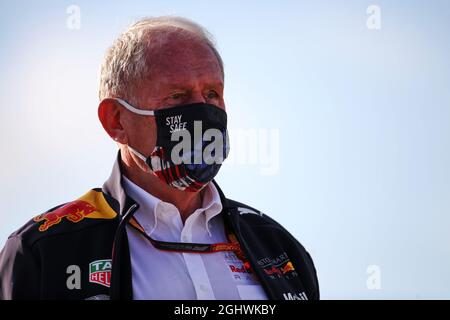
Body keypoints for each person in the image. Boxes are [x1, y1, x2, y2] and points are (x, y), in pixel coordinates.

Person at [0, 16, 319, 300]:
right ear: (117, 120)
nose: (202, 112)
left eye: (211, 94)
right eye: (177, 96)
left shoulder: (278, 247)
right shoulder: (45, 251)